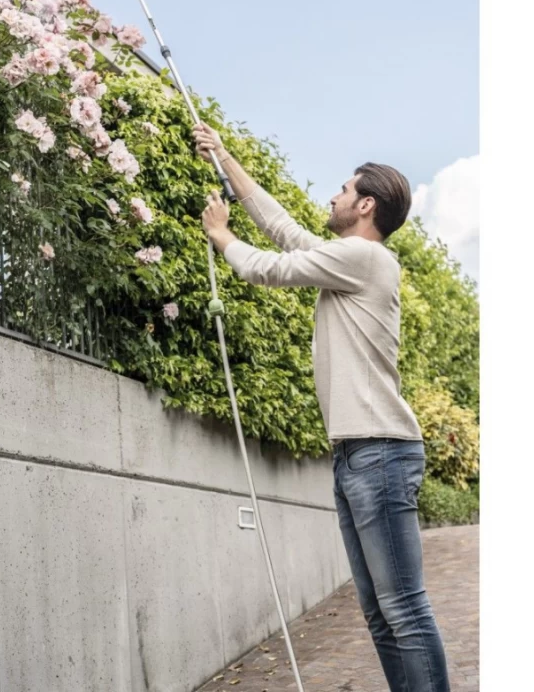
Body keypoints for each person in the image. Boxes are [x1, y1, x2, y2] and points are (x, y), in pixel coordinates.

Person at [193, 122, 451, 692]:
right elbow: (282, 228)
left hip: (380, 454)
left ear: (364, 204)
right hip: (357, 456)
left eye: (341, 189)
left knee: (403, 608)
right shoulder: (347, 260)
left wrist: (221, 236)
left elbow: (267, 266)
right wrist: (224, 156)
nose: (330, 197)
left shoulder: (366, 259)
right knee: (381, 614)